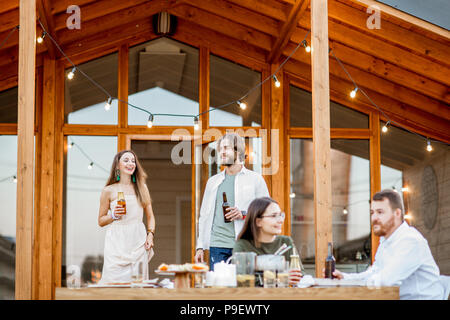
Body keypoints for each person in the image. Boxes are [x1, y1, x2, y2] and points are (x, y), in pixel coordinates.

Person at [324, 189, 443, 300]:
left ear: (397, 213)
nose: (374, 218)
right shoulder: (386, 241)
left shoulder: (410, 241)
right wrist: (345, 278)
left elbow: (385, 281)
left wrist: (350, 285)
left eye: (380, 212)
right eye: (372, 212)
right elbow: (375, 272)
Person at [195, 133, 270, 270]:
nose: (222, 152)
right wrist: (200, 246)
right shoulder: (212, 182)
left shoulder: (255, 179)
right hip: (217, 246)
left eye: (226, 148)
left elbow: (267, 212)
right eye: (220, 149)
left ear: (238, 151)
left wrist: (242, 213)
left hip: (246, 244)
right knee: (219, 289)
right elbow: (204, 216)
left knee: (245, 288)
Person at [97, 150, 156, 284]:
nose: (131, 163)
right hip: (116, 245)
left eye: (133, 161)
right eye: (126, 160)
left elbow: (150, 216)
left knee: (138, 287)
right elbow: (100, 220)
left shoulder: (142, 188)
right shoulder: (108, 191)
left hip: (138, 242)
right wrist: (113, 215)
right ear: (117, 166)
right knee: (112, 286)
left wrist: (150, 235)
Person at [233, 197, 303, 286]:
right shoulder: (242, 245)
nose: (281, 220)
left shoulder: (286, 242)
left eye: (281, 215)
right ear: (258, 222)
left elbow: (301, 275)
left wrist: (296, 277)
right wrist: (280, 279)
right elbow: (241, 280)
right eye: (274, 216)